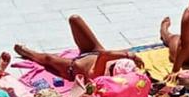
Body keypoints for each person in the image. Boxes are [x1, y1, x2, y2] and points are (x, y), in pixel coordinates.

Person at [13, 15, 145, 82]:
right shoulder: (120, 67)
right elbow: (106, 55)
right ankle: (29, 52)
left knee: (48, 58)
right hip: (94, 52)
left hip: (72, 67)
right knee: (74, 19)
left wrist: (129, 55)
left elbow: (105, 56)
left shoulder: (100, 75)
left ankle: (28, 53)